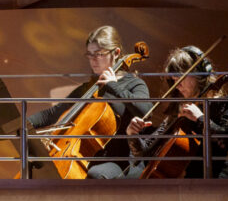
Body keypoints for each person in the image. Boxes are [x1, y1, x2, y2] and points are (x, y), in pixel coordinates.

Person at [26, 25, 152, 179]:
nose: (93, 60)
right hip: (88, 158)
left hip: (120, 161)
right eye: (90, 55)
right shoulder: (89, 88)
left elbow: (145, 110)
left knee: (95, 174)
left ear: (116, 53)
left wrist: (113, 85)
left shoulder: (133, 84)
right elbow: (53, 113)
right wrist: (22, 125)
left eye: (98, 54)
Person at [125, 46, 228, 178]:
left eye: (180, 77)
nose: (177, 85)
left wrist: (200, 118)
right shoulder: (178, 113)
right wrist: (132, 134)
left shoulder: (223, 103)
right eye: (174, 80)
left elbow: (227, 141)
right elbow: (144, 153)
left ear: (199, 74)